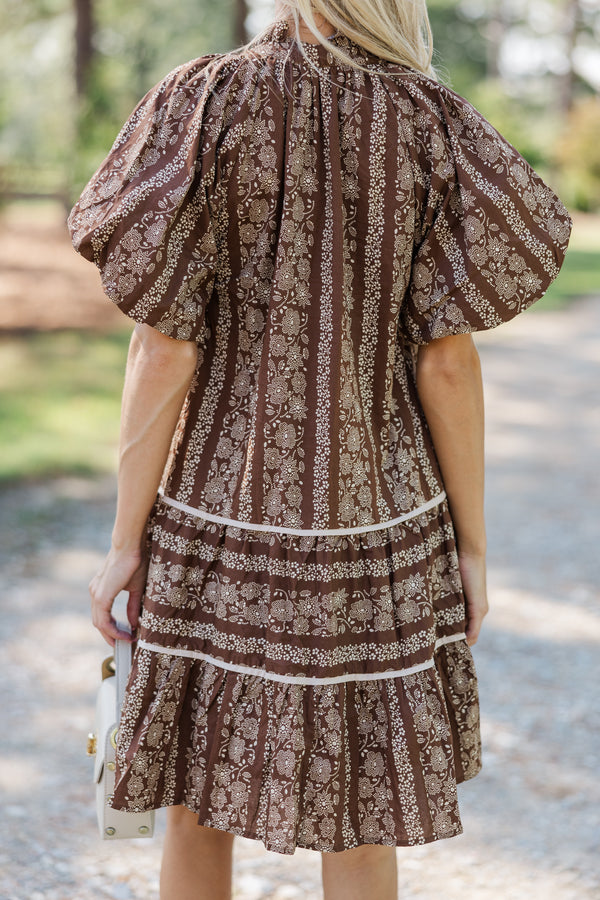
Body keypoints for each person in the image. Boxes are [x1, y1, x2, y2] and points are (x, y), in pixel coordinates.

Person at [67, 0, 572, 897]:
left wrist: (123, 541)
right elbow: (448, 361)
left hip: (217, 509)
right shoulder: (431, 119)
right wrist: (473, 544)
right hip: (379, 517)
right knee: (363, 797)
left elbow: (163, 346)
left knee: (193, 794)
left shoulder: (203, 102)